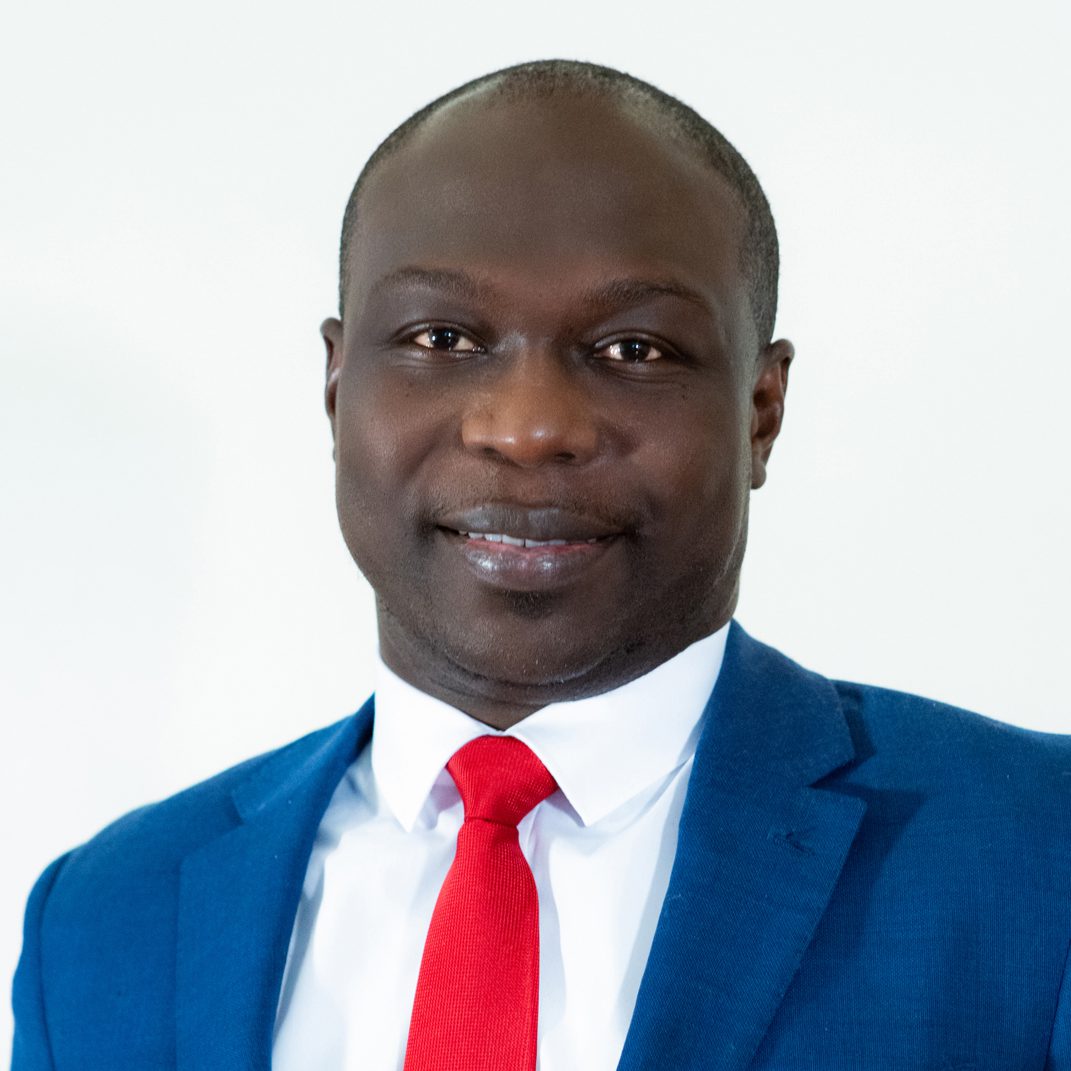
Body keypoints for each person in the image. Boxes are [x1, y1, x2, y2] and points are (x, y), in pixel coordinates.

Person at [11, 58, 1071, 1071]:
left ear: (762, 408)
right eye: (441, 338)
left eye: (633, 351)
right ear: (338, 387)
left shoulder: (1037, 856)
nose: (527, 429)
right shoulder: (109, 918)